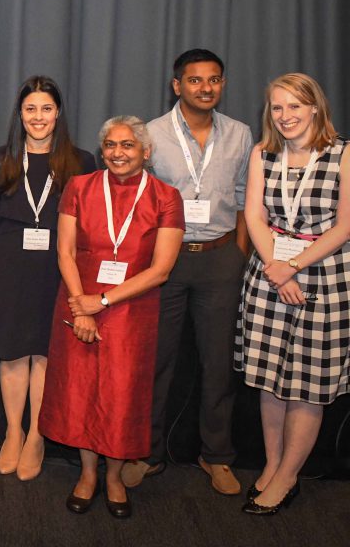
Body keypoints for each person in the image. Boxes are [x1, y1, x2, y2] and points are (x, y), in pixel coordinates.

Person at [122, 50, 253, 494]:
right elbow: (138, 201)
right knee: (155, 361)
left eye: (214, 80)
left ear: (223, 84)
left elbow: (243, 199)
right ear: (177, 85)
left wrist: (238, 253)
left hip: (219, 258)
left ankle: (216, 456)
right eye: (195, 80)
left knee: (218, 363)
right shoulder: (152, 134)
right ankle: (146, 452)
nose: (205, 88)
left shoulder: (239, 134)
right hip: (166, 262)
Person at [40, 116, 184, 518]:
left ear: (146, 152)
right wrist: (81, 305)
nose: (118, 153)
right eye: (110, 145)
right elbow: (65, 252)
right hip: (77, 303)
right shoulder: (80, 187)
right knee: (82, 391)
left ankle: (115, 476)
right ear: (102, 150)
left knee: (122, 395)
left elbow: (161, 270)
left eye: (127, 145)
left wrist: (101, 302)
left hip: (132, 310)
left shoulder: (166, 197)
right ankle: (88, 473)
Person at [0, 76, 94, 480]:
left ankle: (37, 435)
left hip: (56, 270)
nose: (38, 117)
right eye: (30, 109)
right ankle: (13, 432)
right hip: (6, 267)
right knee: (11, 352)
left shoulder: (81, 162)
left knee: (44, 353)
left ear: (58, 114)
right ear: (19, 114)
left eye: (46, 109)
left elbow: (89, 228)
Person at [236, 73, 350, 515]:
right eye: (278, 107)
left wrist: (295, 267)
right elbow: (254, 215)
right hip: (270, 275)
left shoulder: (342, 154)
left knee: (306, 383)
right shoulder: (263, 153)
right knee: (270, 378)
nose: (285, 116)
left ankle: (287, 476)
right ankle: (272, 463)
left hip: (323, 277)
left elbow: (345, 225)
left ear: (315, 107)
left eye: (295, 106)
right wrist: (278, 271)